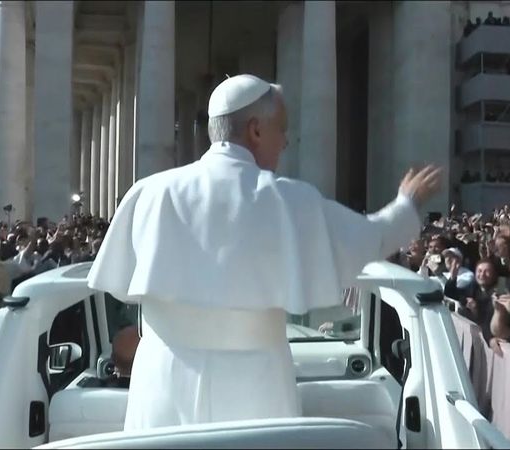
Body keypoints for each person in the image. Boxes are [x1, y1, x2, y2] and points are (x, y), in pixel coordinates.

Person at [87, 74, 442, 431]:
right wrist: (407, 203)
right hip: (256, 387)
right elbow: (372, 237)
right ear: (255, 130)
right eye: (282, 129)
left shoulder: (148, 193)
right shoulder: (287, 200)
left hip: (163, 384)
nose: (286, 142)